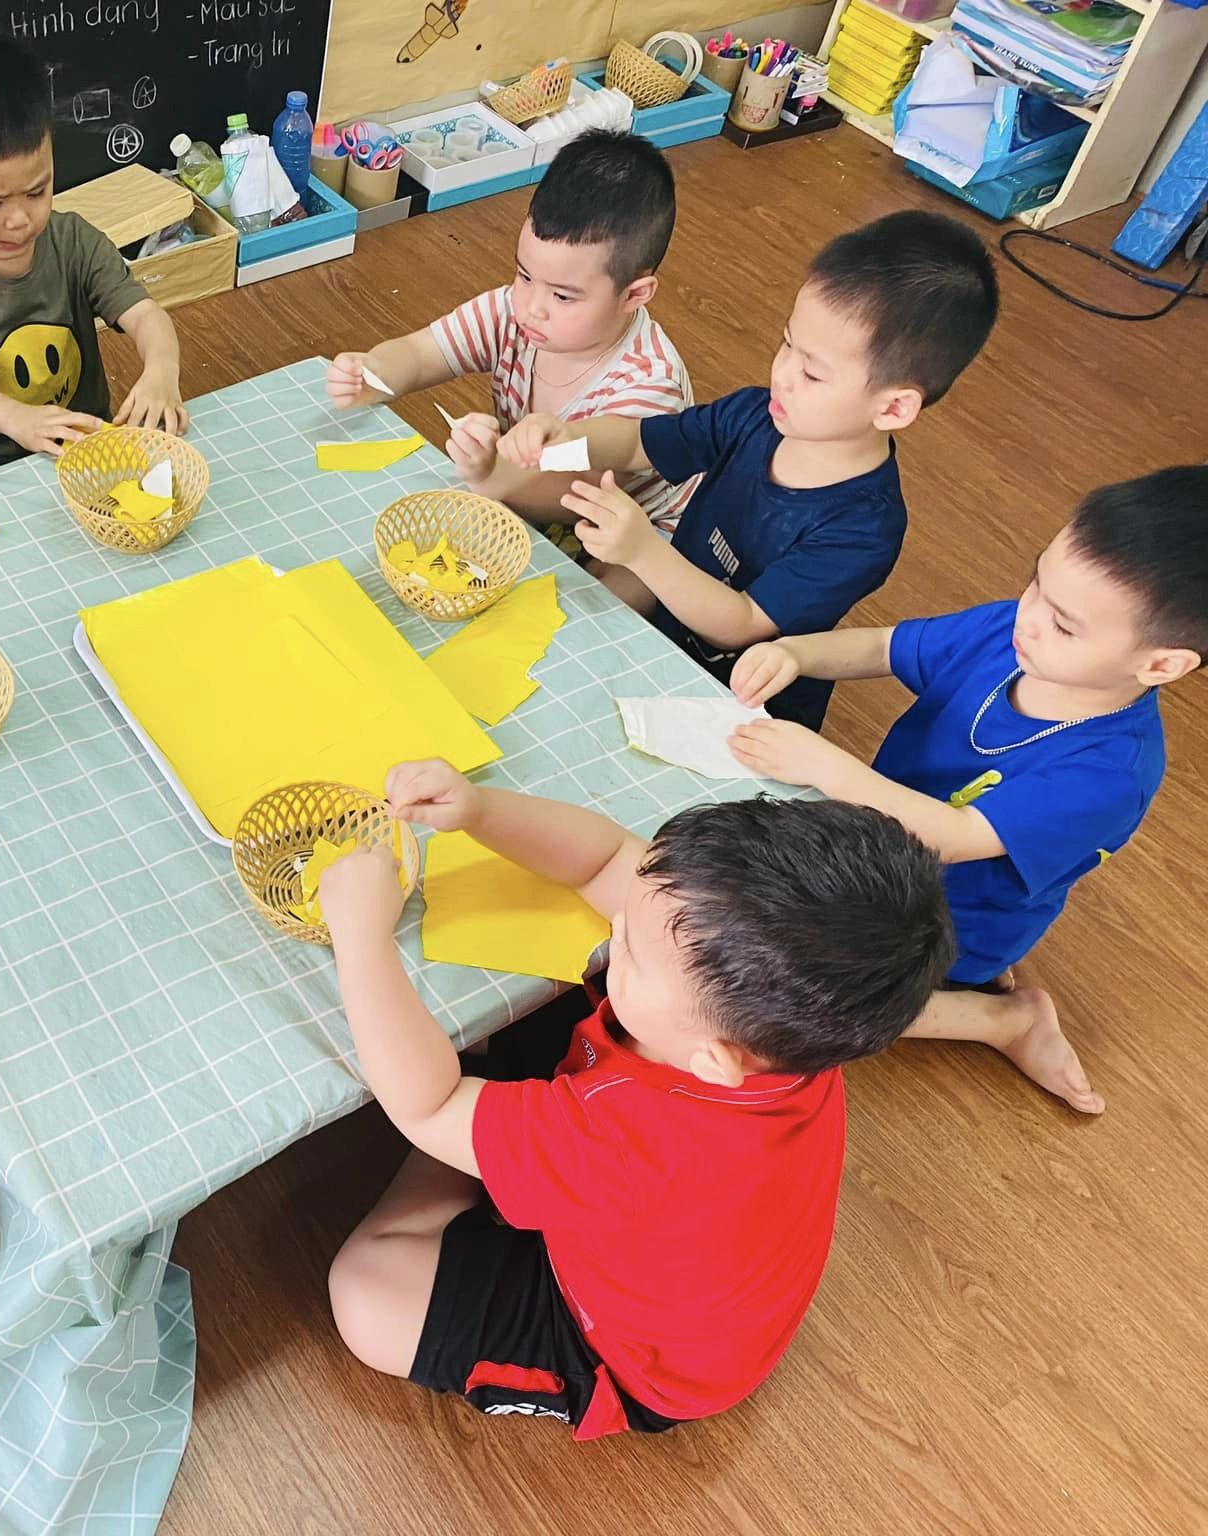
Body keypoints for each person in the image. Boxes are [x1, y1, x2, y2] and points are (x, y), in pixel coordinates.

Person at [317, 765, 951, 1435]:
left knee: (365, 1293)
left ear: (714, 1057)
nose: (615, 930)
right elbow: (607, 859)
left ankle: (492, 1167)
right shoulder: (786, 1030)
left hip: (632, 1360)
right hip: (685, 1260)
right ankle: (501, 1157)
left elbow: (429, 1106)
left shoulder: (635, 1139)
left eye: (634, 955)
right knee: (536, 1015)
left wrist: (360, 937)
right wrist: (477, 809)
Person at [728, 466, 1208, 1116]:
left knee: (785, 1001)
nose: (1029, 620)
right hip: (866, 848)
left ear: (1161, 664)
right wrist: (797, 654)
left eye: (1065, 626)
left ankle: (999, 1019)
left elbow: (949, 838)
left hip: (937, 923)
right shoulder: (1012, 634)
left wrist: (823, 765)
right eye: (1036, 582)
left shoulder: (1109, 773)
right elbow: (885, 646)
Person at [499, 210, 999, 728]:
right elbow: (635, 444)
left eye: (811, 372)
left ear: (893, 408)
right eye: (787, 343)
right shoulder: (755, 414)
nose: (782, 374)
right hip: (663, 637)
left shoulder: (863, 528)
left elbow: (741, 623)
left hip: (742, 709)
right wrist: (565, 441)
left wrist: (643, 551)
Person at [328, 129, 694, 536]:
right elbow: (422, 352)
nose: (531, 307)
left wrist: (493, 475)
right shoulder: (513, 314)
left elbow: (579, 495)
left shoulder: (650, 384)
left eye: (562, 296)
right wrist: (374, 373)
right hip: (527, 497)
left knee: (609, 574)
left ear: (634, 294)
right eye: (524, 275)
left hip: (641, 527)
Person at [0, 32, 189, 475]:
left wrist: (161, 372)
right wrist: (18, 420)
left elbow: (145, 315)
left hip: (79, 438)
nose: (20, 219)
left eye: (37, 191)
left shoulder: (73, 241)